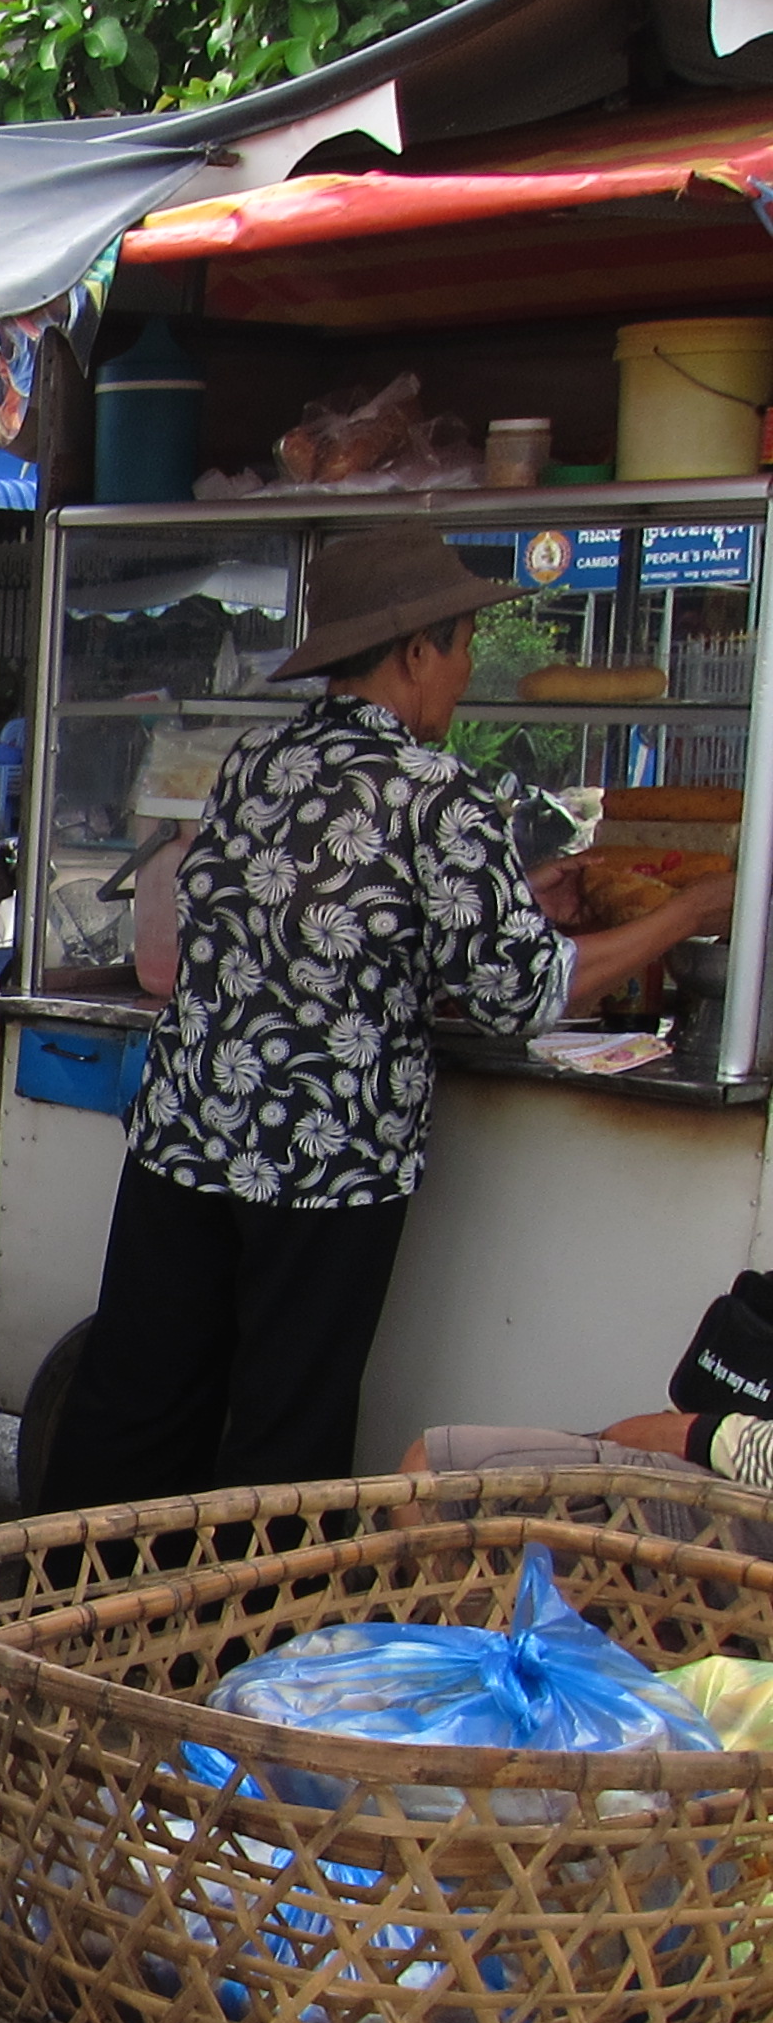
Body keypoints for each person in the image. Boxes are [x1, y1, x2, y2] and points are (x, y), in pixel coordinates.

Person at [43, 526, 737, 1508]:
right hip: (325, 1162)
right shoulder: (437, 799)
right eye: (458, 648)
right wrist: (687, 915)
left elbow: (339, 924)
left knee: (139, 1405)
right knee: (284, 1432)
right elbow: (525, 994)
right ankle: (253, 1645)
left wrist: (524, 897)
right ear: (416, 652)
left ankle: (66, 1610)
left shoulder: (256, 764)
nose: (462, 675)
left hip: (189, 1136)